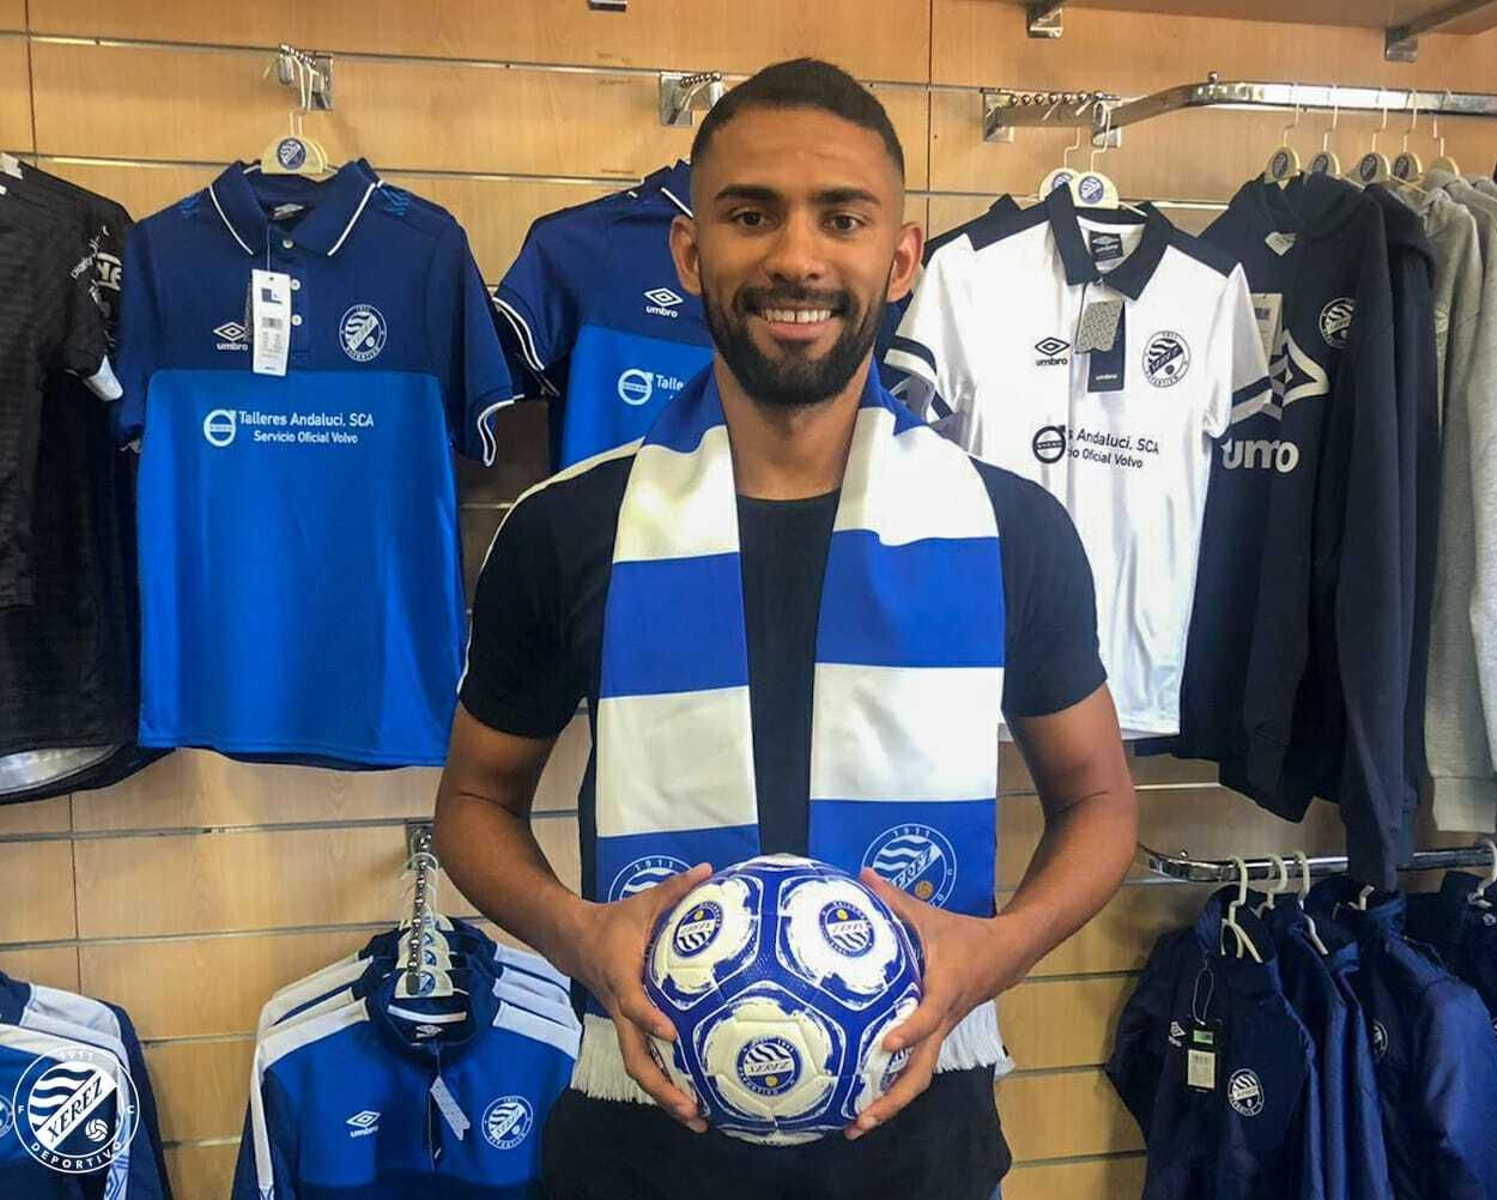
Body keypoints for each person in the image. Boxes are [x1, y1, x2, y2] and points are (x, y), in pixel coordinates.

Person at [434, 57, 1138, 1200]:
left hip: (917, 1126)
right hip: (639, 1126)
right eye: (749, 214)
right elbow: (472, 802)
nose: (797, 258)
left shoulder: (1010, 529)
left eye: (842, 217)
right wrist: (579, 937)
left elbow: (1101, 801)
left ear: (899, 258)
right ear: (689, 251)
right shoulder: (569, 526)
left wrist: (987, 955)